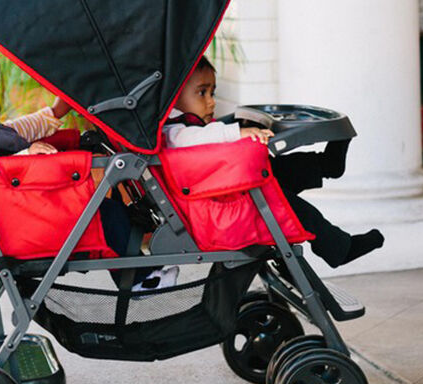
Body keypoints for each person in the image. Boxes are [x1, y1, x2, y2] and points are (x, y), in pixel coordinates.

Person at [0, 37, 173, 291]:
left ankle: (137, 275)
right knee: (105, 215)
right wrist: (26, 156)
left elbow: (22, 129)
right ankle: (141, 280)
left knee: (109, 212)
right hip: (21, 225)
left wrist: (56, 112)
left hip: (24, 213)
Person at [163, 55, 384, 268]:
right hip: (222, 213)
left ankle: (325, 165)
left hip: (226, 197)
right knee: (289, 206)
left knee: (275, 169)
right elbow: (190, 139)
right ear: (173, 96)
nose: (211, 102)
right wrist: (237, 133)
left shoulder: (189, 126)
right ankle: (339, 248)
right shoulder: (174, 131)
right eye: (202, 93)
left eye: (213, 92)